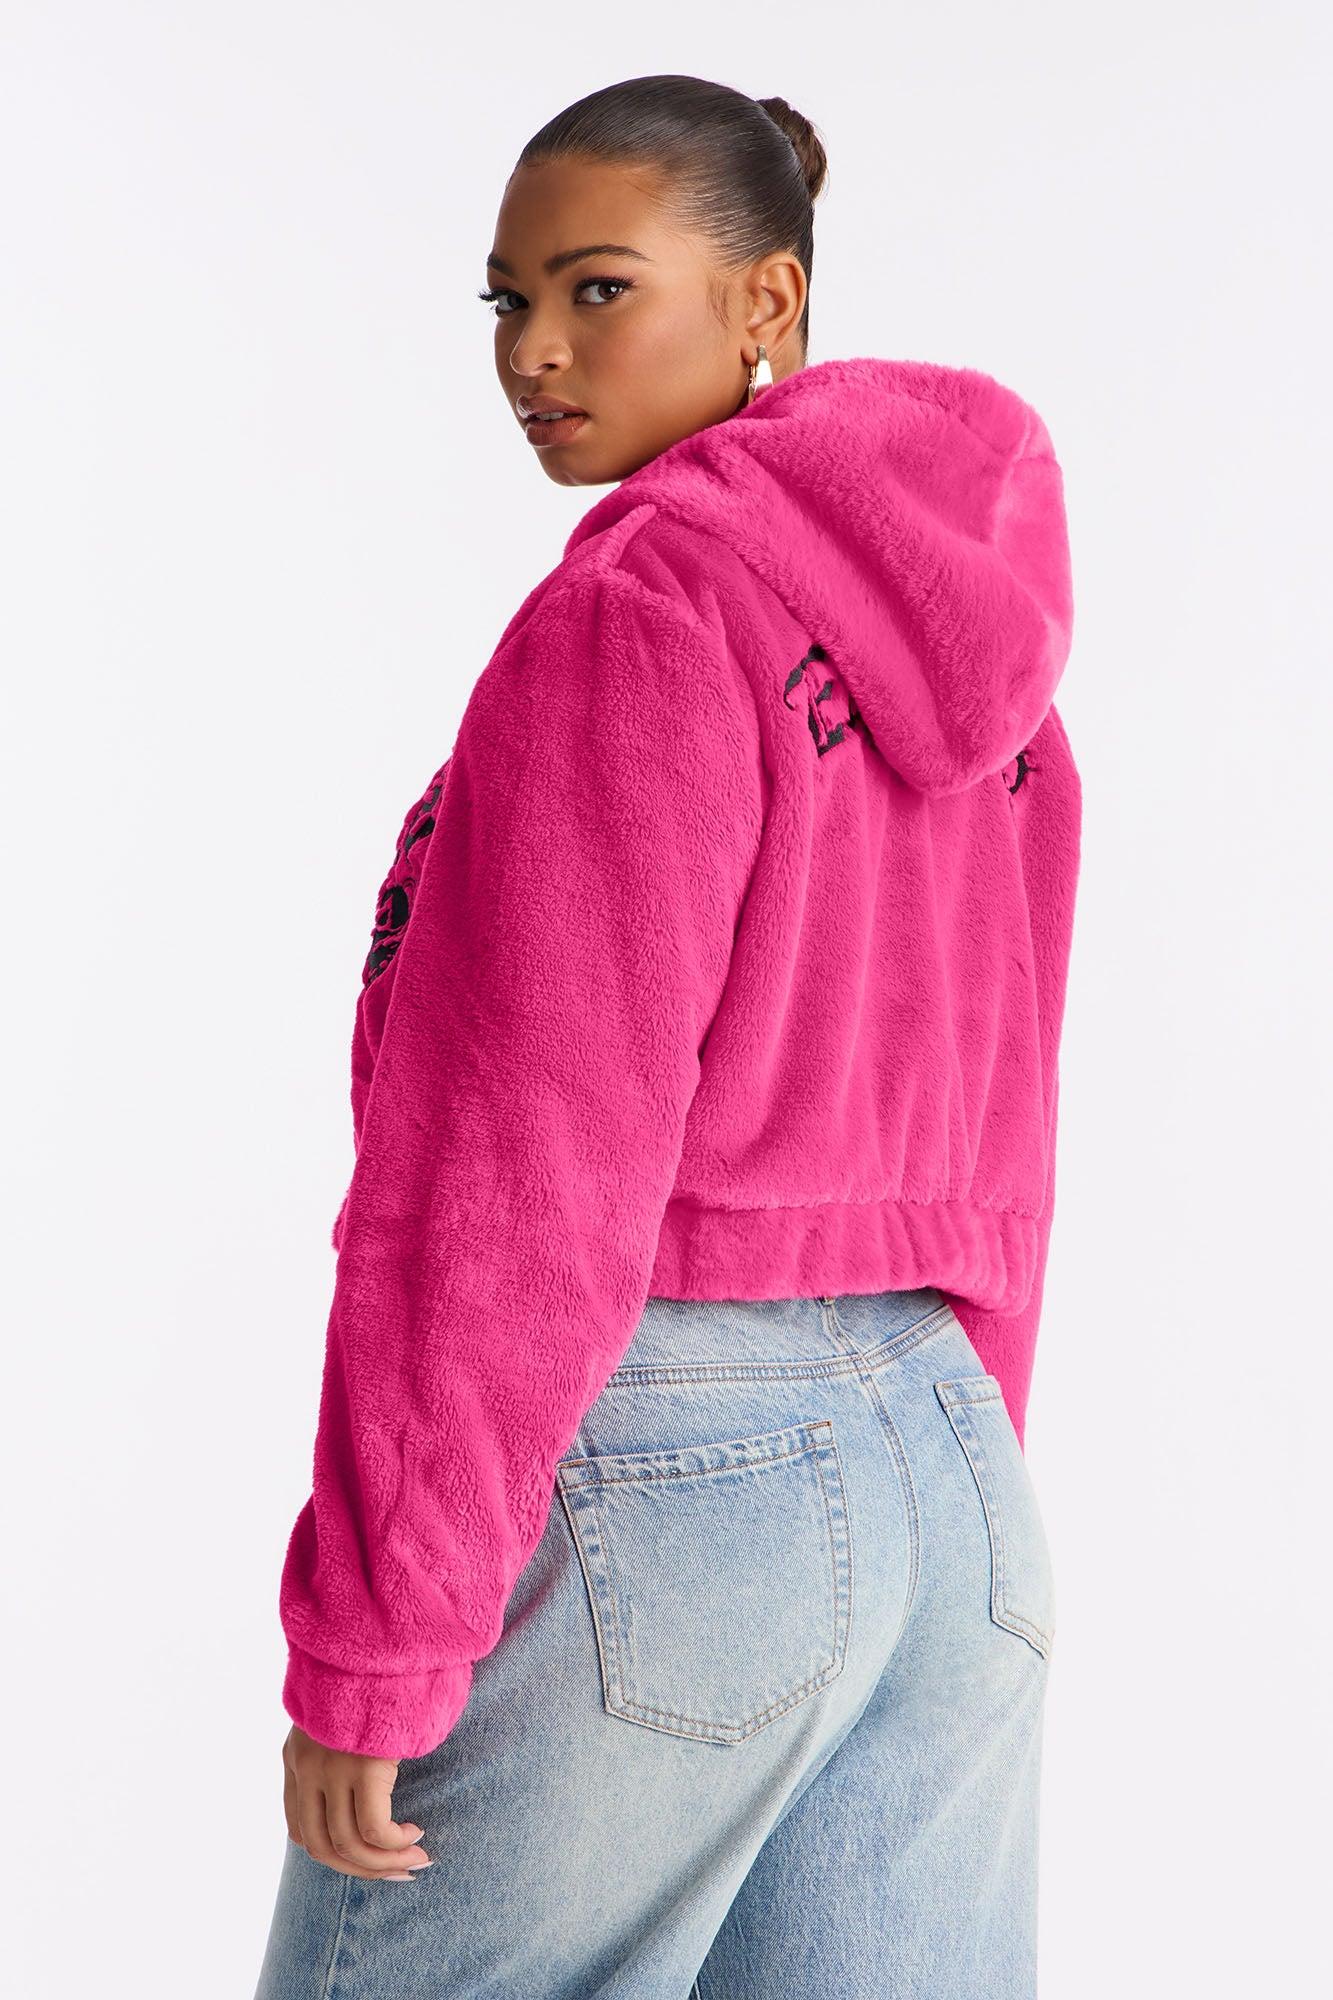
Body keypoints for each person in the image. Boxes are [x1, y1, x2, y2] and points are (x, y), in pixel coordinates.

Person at [254, 71, 1081, 2000]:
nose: (533, 351)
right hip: (952, 1482)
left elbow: (519, 1155)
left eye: (598, 289)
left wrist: (383, 1633)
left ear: (766, 300)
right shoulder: (1008, 694)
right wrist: (955, 1462)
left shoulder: (639, 612)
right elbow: (1007, 1134)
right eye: (507, 299)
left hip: (671, 1478)